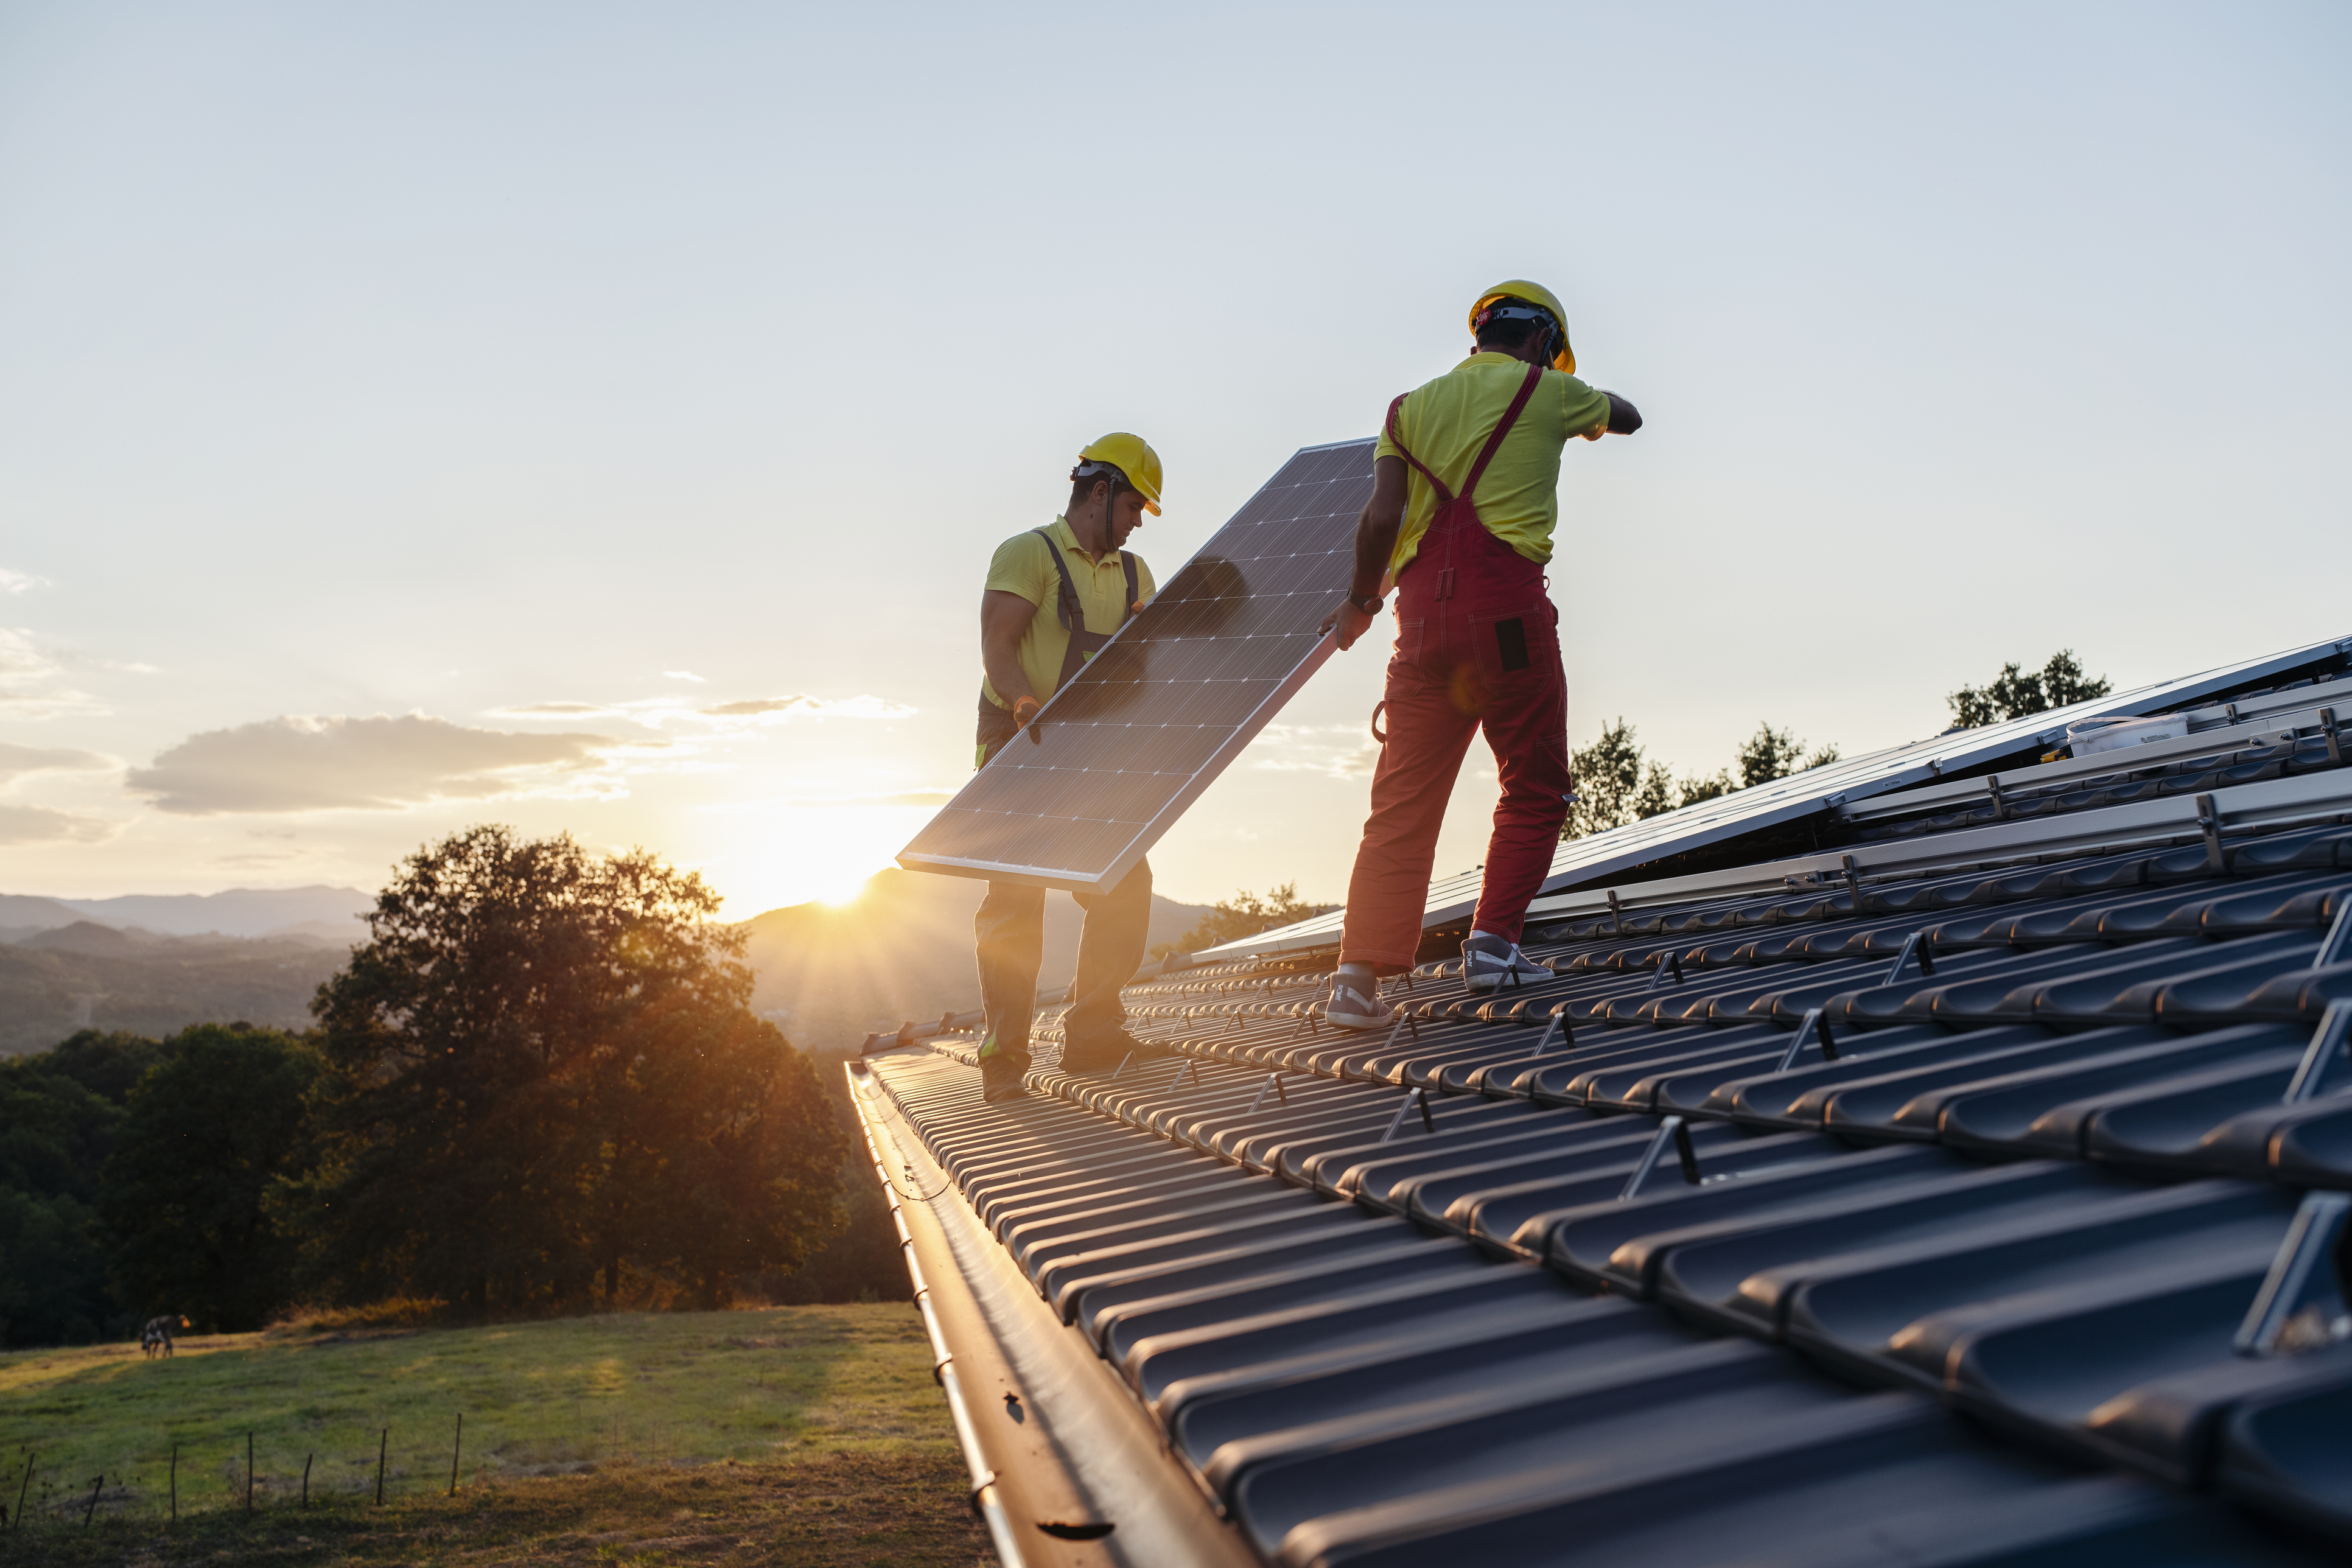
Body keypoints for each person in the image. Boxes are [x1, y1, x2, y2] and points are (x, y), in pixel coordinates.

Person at [1319, 281, 1642, 1028]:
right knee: (1534, 783)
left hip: (1420, 625)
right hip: (1507, 621)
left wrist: (1361, 601)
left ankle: (1355, 979)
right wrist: (1573, 391)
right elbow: (1628, 415)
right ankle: (1493, 946)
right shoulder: (1551, 391)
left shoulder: (1407, 409)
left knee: (1400, 804)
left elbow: (1381, 517)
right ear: (1539, 341)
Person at [972, 434, 1166, 1101]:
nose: (1138, 520)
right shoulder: (1030, 552)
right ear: (1101, 491)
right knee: (1016, 902)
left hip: (1087, 754)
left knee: (1124, 881)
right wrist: (1026, 701)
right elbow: (997, 645)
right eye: (1135, 505)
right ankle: (1004, 1056)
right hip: (1017, 743)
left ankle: (1092, 1035)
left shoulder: (1136, 574)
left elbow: (1145, 667)